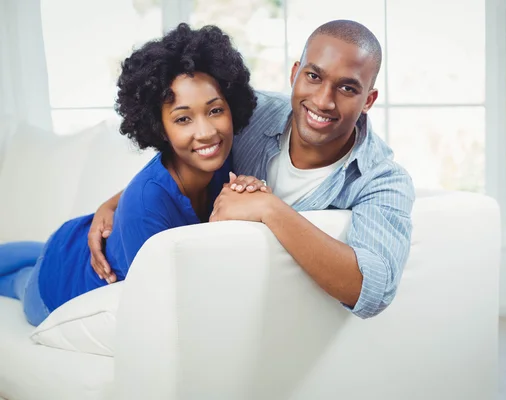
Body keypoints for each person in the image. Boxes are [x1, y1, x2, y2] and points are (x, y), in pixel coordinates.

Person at [90, 20, 415, 319]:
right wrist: (118, 201)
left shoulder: (382, 180)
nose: (323, 100)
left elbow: (374, 290)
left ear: (369, 100)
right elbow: (187, 150)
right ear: (294, 74)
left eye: (347, 88)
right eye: (313, 76)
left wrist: (269, 209)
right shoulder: (249, 111)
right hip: (94, 258)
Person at [0, 23, 264, 326]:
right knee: (19, 279)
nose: (206, 132)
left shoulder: (221, 156)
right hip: (54, 290)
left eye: (215, 110)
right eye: (183, 118)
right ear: (159, 127)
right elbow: (169, 309)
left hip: (74, 245)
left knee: (30, 256)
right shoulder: (147, 205)